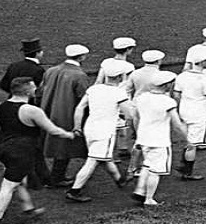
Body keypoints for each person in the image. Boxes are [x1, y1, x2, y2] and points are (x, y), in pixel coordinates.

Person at [0, 78, 76, 224]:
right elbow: (53, 130)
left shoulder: (1, 106)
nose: (36, 89)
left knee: (18, 180)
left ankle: (28, 209)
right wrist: (70, 135)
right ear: (27, 91)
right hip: (22, 151)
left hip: (4, 148)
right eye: (34, 87)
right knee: (8, 186)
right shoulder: (31, 110)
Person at [67, 59, 136, 203]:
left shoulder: (93, 89)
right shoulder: (118, 92)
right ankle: (75, 190)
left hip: (90, 128)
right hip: (105, 131)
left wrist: (77, 126)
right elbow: (129, 114)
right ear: (119, 77)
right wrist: (133, 126)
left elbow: (80, 108)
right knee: (93, 160)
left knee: (103, 157)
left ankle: (119, 179)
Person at [38, 44, 91, 187]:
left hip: (49, 112)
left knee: (59, 145)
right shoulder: (79, 75)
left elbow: (41, 91)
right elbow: (84, 98)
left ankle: (56, 176)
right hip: (68, 114)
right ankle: (57, 178)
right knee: (65, 146)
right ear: (81, 57)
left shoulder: (51, 70)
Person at [131, 71, 187, 206]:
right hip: (160, 140)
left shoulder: (142, 98)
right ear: (167, 85)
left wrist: (139, 135)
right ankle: (149, 199)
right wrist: (187, 139)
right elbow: (177, 125)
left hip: (144, 137)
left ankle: (140, 190)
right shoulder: (168, 101)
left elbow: (136, 117)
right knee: (156, 171)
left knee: (147, 164)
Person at [173, 55, 206, 181]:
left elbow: (176, 95)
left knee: (189, 139)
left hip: (184, 110)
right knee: (193, 144)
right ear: (202, 62)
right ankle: (187, 172)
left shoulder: (181, 76)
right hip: (199, 113)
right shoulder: (205, 79)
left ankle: (183, 164)